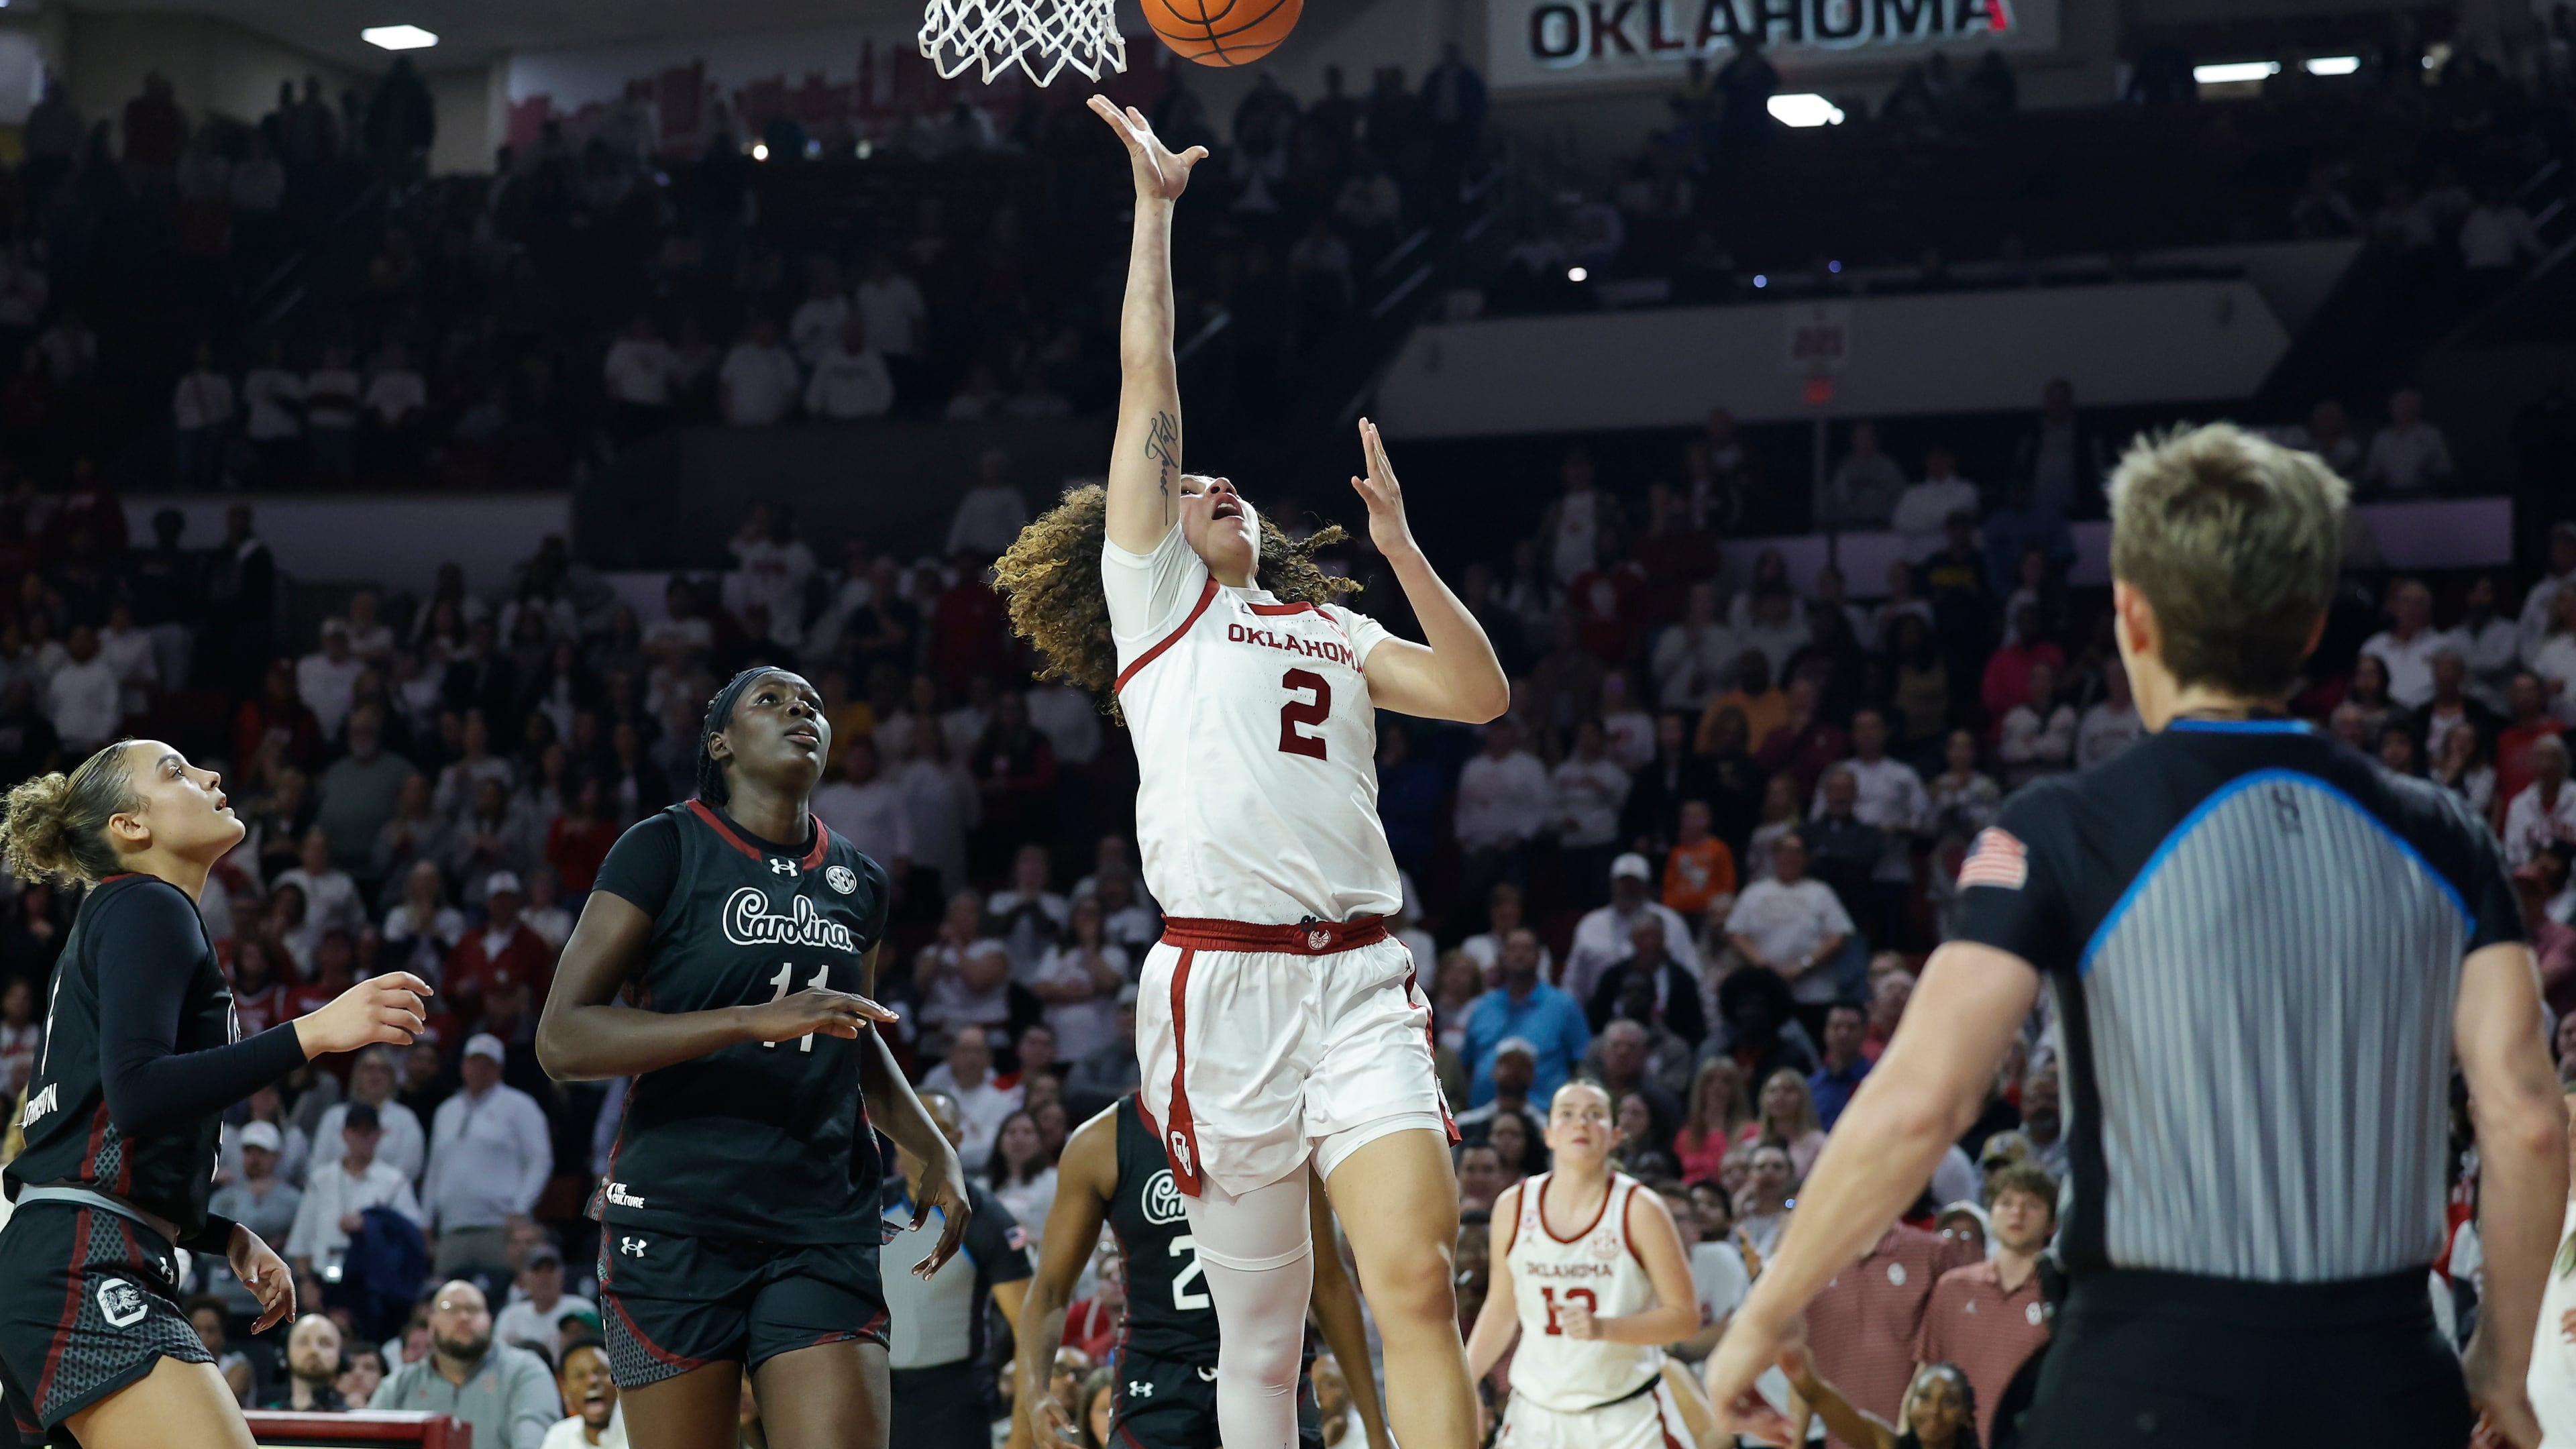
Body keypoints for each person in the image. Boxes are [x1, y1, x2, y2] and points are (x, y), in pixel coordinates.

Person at [1703, 423, 2567, 1449]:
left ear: (2132, 616)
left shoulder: (2064, 827)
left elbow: (1923, 1102)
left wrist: (1765, 1310)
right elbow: (2526, 1123)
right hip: (2383, 1375)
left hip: (2149, 1376)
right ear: (2310, 627)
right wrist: (2502, 1364)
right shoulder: (2446, 834)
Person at [989, 99, 1511, 1449]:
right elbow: (1151, 382)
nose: (1213, 484)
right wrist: (1156, 215)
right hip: (1216, 984)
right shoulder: (1159, 605)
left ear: (1267, 529)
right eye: (1193, 484)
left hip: (1354, 979)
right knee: (1262, 1339)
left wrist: (1402, 551)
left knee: (1412, 1286)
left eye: (1232, 485)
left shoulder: (1332, 625)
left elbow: (1477, 692)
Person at [537, 665, 963, 1449]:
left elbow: (853, 1031)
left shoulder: (860, 878)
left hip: (821, 1215)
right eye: (770, 700)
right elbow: (563, 1038)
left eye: (812, 704)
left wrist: (927, 1141)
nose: (800, 709)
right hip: (677, 1219)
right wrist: (746, 1021)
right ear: (721, 742)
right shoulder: (663, 846)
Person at [0, 739, 429, 1448]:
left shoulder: (122, 915)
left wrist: (219, 1235)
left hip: (59, 1254)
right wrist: (314, 1033)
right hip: (82, 1264)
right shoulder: (147, 904)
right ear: (130, 827)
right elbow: (138, 1095)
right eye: (175, 772)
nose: (211, 775)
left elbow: (86, 1137)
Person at [1012, 1095, 1395, 1449]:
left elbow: (1328, 1282)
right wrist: (1034, 1390)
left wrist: (1376, 1428)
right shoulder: (1101, 1142)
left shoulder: (1277, 1122)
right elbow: (1048, 1290)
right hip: (1159, 1373)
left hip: (1271, 1364)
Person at [1464, 1081, 1707, 1448]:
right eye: (1568, 1114)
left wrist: (1603, 1328)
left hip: (1625, 1417)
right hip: (1535, 1416)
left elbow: (1685, 1318)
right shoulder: (1513, 1206)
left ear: (1615, 1136)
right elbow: (1501, 1308)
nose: (1581, 1124)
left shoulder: (1641, 1209)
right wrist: (1466, 1384)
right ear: (1548, 1135)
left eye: (1595, 1115)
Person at [1917, 1163, 2057, 1446]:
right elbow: (1923, 1377)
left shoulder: (2061, 1295)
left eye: (2031, 1205)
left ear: (2052, 1224)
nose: (2017, 1213)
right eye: (2006, 1203)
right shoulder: (1952, 1287)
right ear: (1991, 1214)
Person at [370, 1279, 562, 1449]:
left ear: (490, 1320)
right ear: (431, 1325)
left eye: (473, 1309)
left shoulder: (525, 1371)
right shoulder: (399, 1385)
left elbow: (534, 1443)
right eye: (451, 1309)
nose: (464, 1317)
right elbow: (365, 1441)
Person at [421, 1034, 552, 1281]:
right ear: (463, 1066)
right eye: (473, 1061)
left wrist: (520, 1209)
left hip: (500, 1228)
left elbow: (540, 1159)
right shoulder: (446, 1111)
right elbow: (434, 1169)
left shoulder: (520, 1106)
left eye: (487, 1063)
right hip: (452, 1229)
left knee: (504, 1293)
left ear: (499, 1069)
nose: (479, 1068)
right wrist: (426, 1220)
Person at [287, 1102, 427, 1280]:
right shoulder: (320, 1180)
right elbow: (302, 1238)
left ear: (378, 1135)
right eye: (356, 1131)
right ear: (345, 1134)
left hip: (373, 1281)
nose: (362, 1138)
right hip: (324, 1277)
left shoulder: (395, 1181)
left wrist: (370, 1223)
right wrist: (306, 1283)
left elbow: (411, 1232)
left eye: (368, 1132)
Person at [1776, 1346, 1979, 1449]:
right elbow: (1826, 1402)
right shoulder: (1888, 1443)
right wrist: (1803, 1378)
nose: (1934, 1410)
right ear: (1910, 1404)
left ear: (1966, 1415)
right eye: (1924, 1397)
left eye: (1950, 1401)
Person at [494, 1243, 595, 1356]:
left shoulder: (581, 1309)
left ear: (562, 1274)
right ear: (523, 1277)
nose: (545, 1277)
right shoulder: (510, 1315)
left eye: (550, 1270)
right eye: (537, 1270)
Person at [542, 1339, 625, 1449]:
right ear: (565, 1389)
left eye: (601, 1372)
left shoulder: (641, 1429)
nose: (592, 1381)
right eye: (580, 1376)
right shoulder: (558, 1437)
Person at [263, 1313, 347, 1411]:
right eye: (303, 1342)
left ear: (340, 1355)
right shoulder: (266, 1414)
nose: (314, 1350)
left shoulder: (353, 1418)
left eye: (325, 1343)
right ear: (285, 1352)